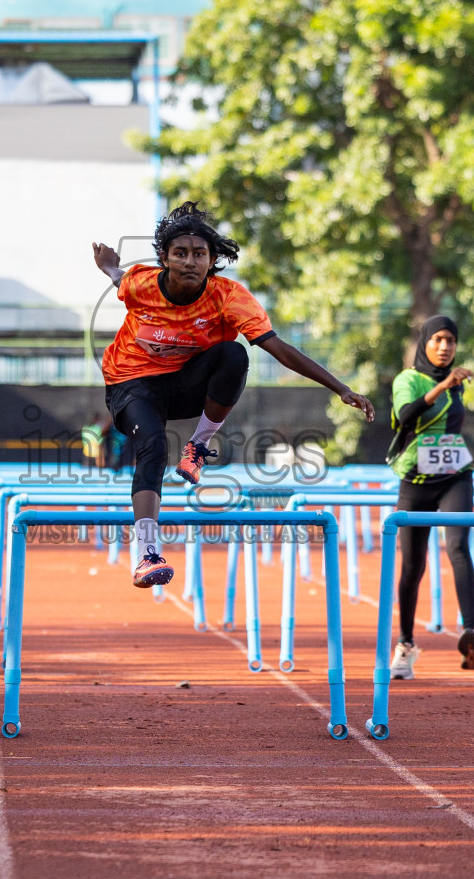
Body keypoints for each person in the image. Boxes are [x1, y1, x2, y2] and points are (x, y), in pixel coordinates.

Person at [93, 201, 373, 589]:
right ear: (165, 259)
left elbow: (278, 349)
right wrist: (107, 263)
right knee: (153, 446)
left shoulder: (228, 297)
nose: (190, 262)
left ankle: (197, 448)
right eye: (180, 254)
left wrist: (340, 388)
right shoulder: (142, 283)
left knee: (234, 353)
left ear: (211, 261)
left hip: (185, 386)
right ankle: (147, 553)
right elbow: (118, 276)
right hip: (131, 382)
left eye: (199, 254)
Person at [386, 316, 474, 679]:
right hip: (416, 479)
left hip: (455, 476)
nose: (446, 347)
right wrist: (445, 385)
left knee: (458, 546)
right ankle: (406, 645)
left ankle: (470, 631)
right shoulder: (408, 379)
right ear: (425, 343)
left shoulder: (457, 385)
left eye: (452, 341)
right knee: (413, 566)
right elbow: (406, 416)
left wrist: (450, 385)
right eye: (439, 340)